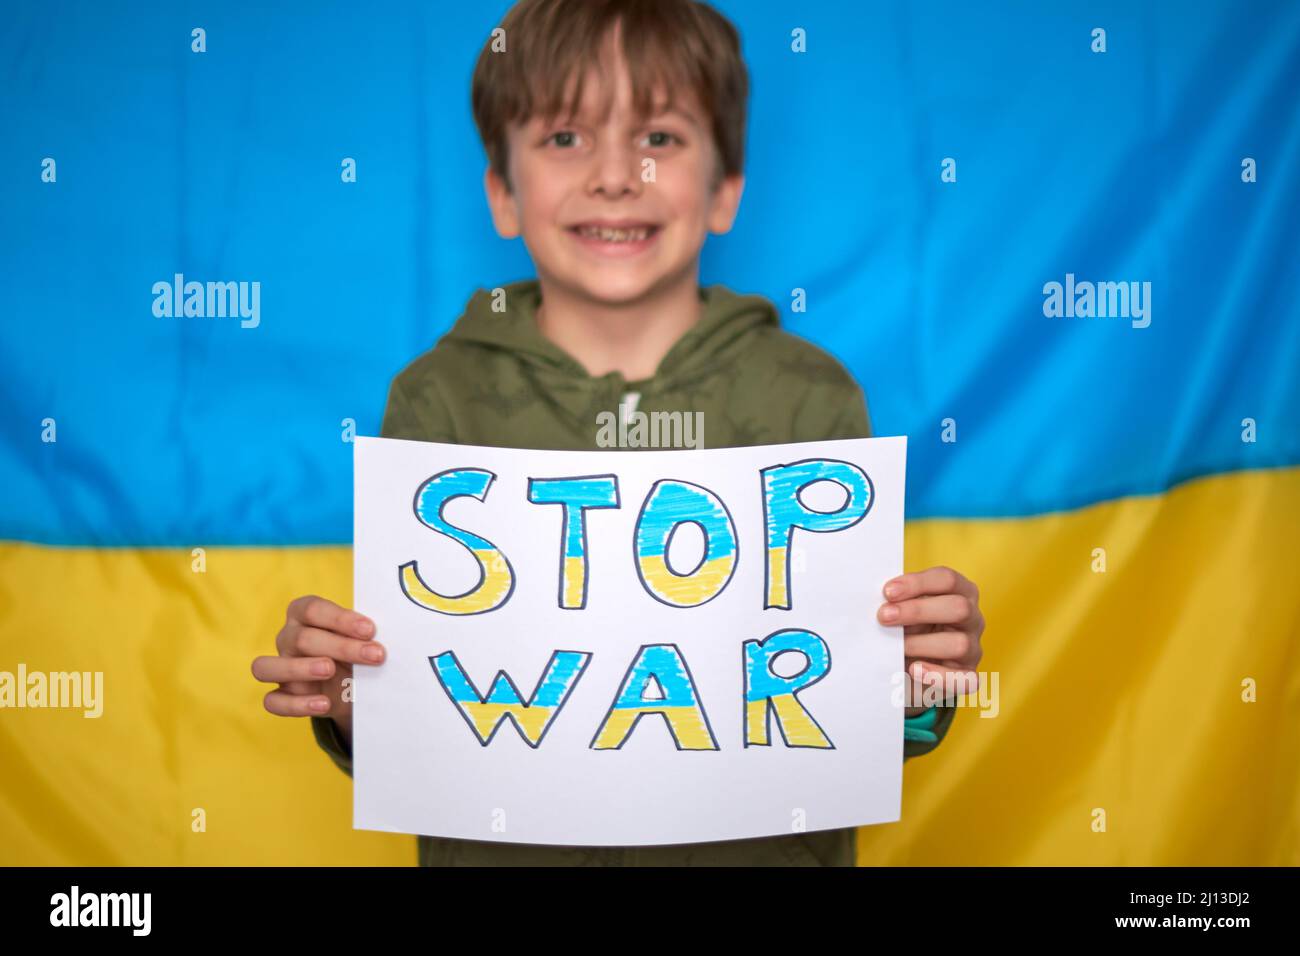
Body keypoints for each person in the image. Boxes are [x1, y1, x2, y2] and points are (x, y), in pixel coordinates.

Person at [251, 0, 984, 866]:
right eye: (565, 138)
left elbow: (837, 715)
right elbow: (430, 718)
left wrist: (918, 681)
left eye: (659, 139)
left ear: (724, 190)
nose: (614, 175)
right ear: (500, 193)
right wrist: (350, 697)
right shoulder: (436, 402)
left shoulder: (811, 399)